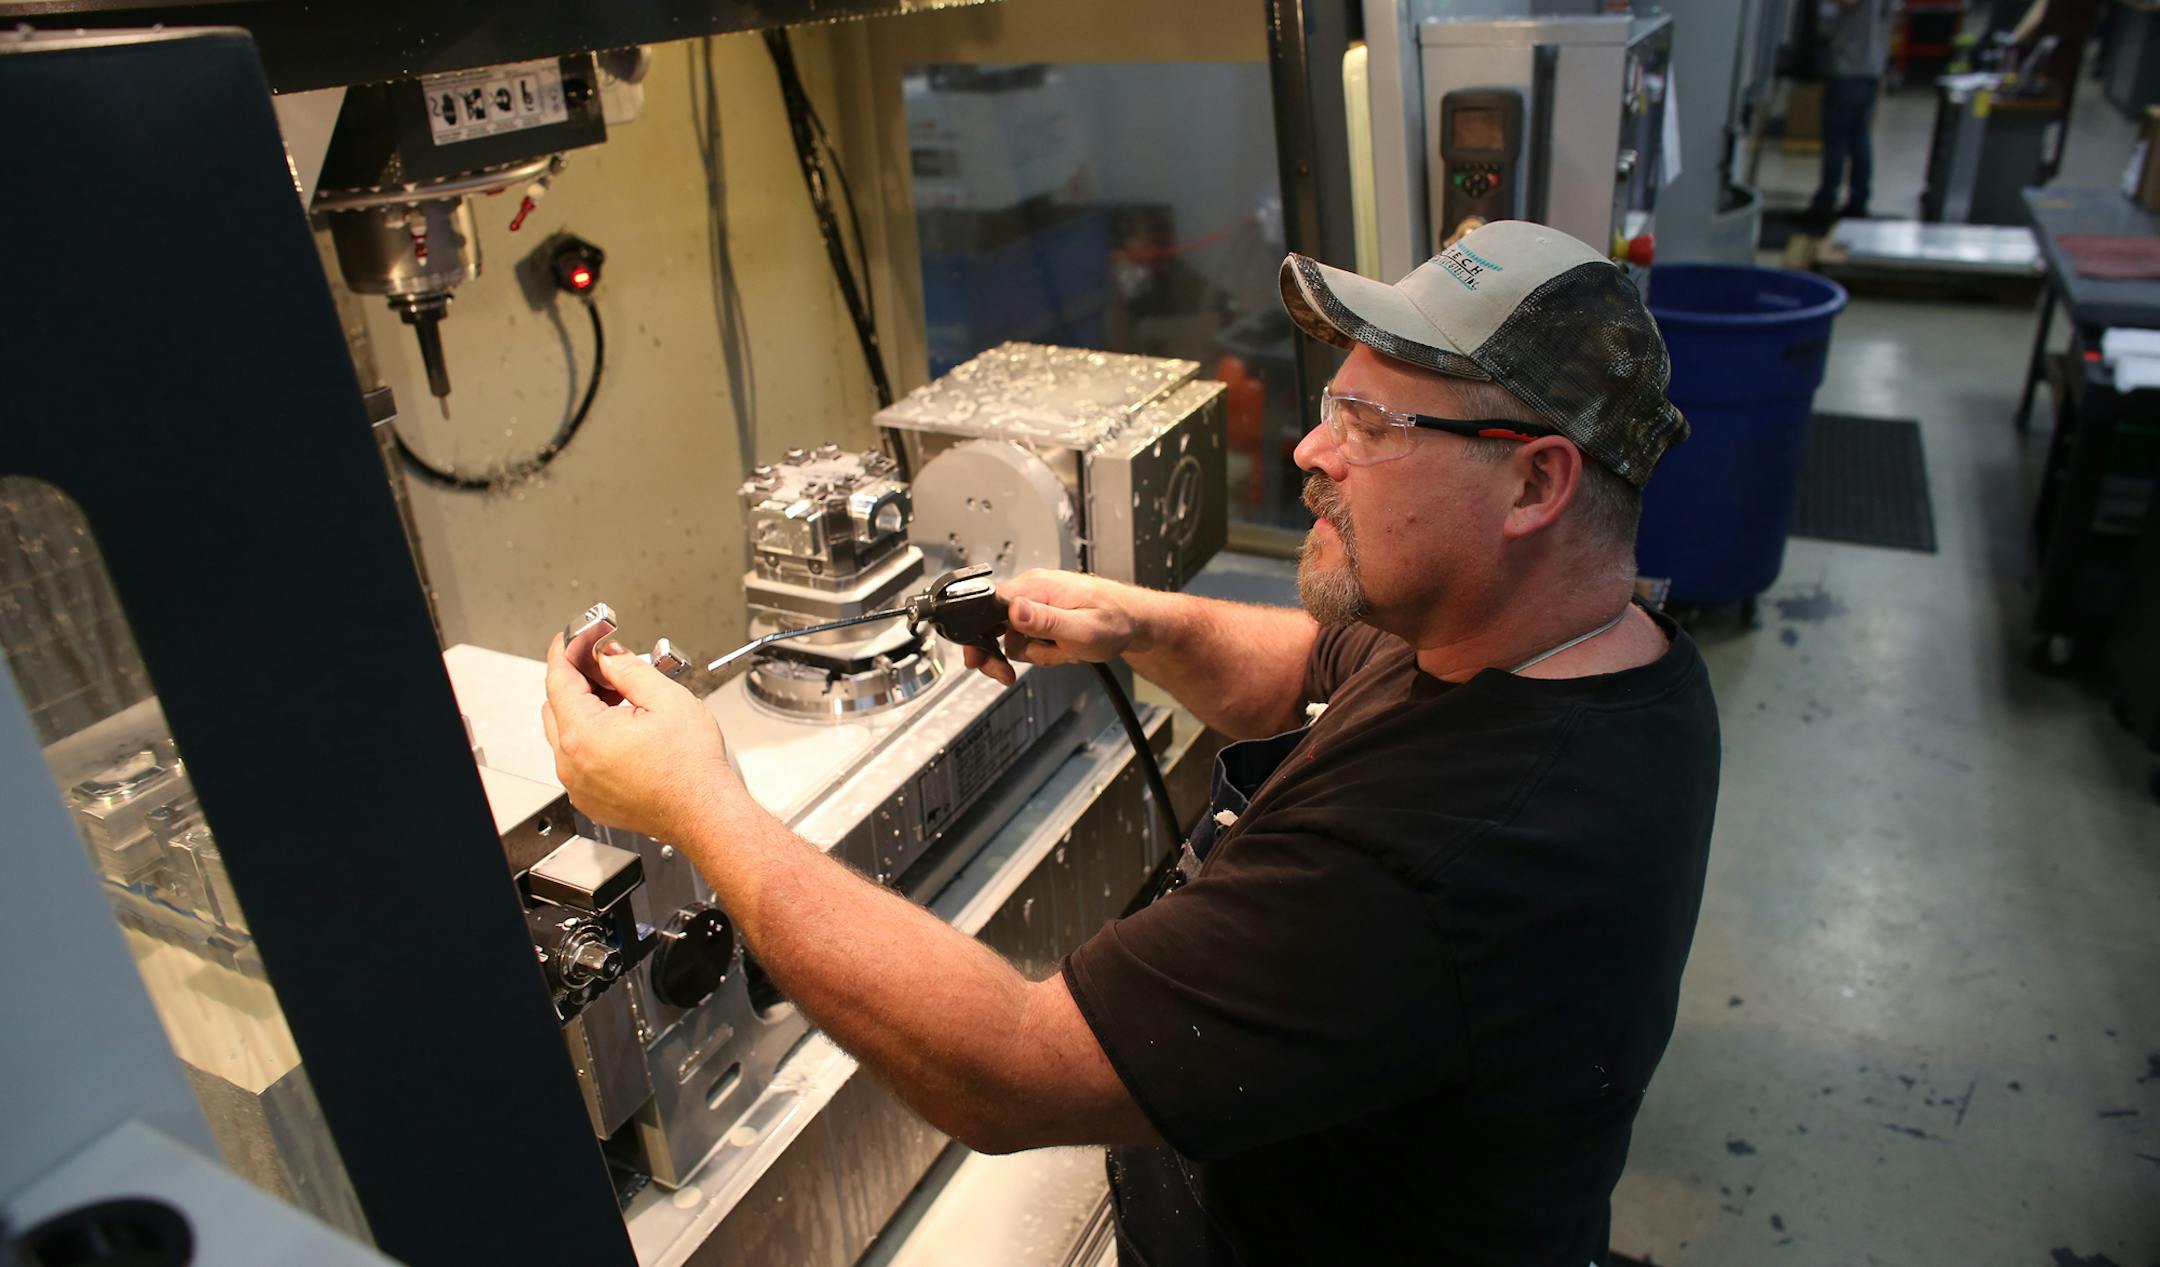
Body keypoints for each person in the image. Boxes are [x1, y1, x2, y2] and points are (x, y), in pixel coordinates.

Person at [541, 219, 1721, 1266]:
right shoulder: (1588, 647)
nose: (1314, 454)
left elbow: (1010, 1069)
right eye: (1331, 405)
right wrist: (1131, 619)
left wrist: (703, 806)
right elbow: (1316, 664)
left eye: (1370, 422)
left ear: (1534, 483)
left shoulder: (1434, 862)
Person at [1809, 0, 1898, 226]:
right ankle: (1857, 201)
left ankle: (1825, 203)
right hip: (1871, 69)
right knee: (1860, 138)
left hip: (1849, 67)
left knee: (1837, 140)